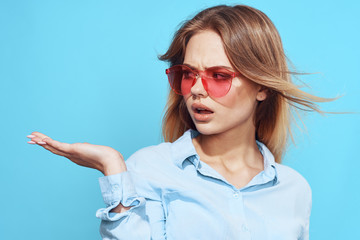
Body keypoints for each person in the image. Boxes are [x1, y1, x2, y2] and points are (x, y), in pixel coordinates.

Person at [27, 4, 331, 240]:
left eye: (219, 76)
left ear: (262, 87)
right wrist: (114, 168)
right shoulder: (150, 169)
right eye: (188, 74)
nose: (197, 89)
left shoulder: (294, 189)